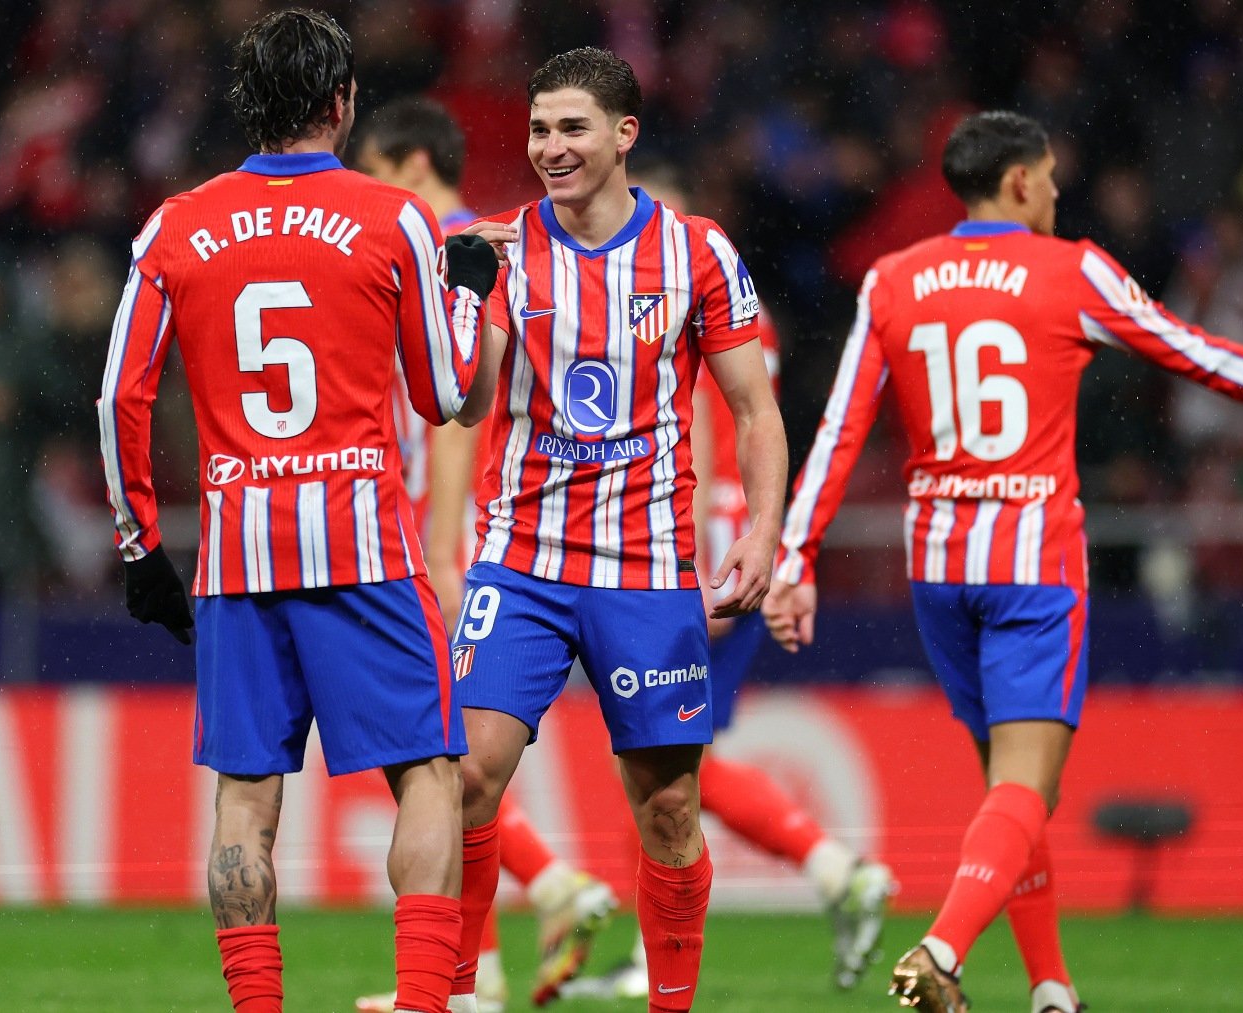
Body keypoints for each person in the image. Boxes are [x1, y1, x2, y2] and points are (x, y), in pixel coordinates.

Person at [763, 111, 1243, 1013]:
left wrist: (796, 556)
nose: (1055, 192)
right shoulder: (1069, 269)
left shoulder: (894, 280)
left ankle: (1051, 988)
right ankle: (941, 949)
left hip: (939, 569)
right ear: (1014, 184)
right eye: (1045, 177)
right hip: (1032, 563)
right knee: (1026, 786)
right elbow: (1200, 357)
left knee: (1006, 789)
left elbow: (842, 423)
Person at [96, 11, 501, 1013]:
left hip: (236, 553)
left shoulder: (177, 224)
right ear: (343, 101)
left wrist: (140, 543)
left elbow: (118, 397)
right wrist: (470, 293)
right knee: (429, 777)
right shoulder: (392, 217)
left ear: (250, 104)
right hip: (362, 541)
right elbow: (447, 392)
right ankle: (420, 1002)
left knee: (245, 800)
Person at [447, 48, 787, 1013]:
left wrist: (764, 535)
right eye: (539, 129)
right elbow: (469, 408)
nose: (550, 148)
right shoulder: (505, 250)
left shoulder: (697, 252)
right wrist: (466, 300)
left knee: (671, 808)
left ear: (624, 134)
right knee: (468, 777)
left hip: (646, 569)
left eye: (573, 128)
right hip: (523, 562)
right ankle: (462, 994)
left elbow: (756, 411)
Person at [560, 163, 897, 1001]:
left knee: (659, 758)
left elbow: (699, 432)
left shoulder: (667, 287)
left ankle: (828, 871)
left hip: (691, 550)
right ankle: (829, 873)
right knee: (664, 758)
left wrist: (691, 557)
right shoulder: (750, 305)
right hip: (734, 540)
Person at [352, 94, 621, 1013]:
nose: (368, 188)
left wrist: (440, 537)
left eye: (378, 169)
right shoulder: (465, 240)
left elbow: (467, 411)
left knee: (438, 758)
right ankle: (490, 965)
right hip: (451, 521)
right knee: (446, 758)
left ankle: (531, 905)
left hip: (455, 523)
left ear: (414, 161)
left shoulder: (460, 247)